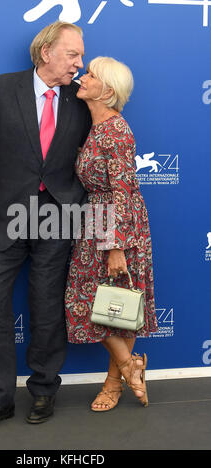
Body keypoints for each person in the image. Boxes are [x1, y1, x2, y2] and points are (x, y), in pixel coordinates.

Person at [0, 21, 91, 432]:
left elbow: (95, 156)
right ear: (46, 53)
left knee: (47, 307)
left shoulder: (80, 98)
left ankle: (43, 390)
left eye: (80, 54)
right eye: (72, 54)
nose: (79, 62)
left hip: (58, 217)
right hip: (4, 219)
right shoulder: (1, 88)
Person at [65, 56, 158, 411]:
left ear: (107, 91)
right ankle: (129, 366)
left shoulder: (116, 130)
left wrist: (116, 246)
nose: (81, 77)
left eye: (90, 75)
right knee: (91, 303)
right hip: (96, 220)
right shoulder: (97, 127)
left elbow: (123, 191)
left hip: (116, 224)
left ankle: (114, 382)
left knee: (116, 307)